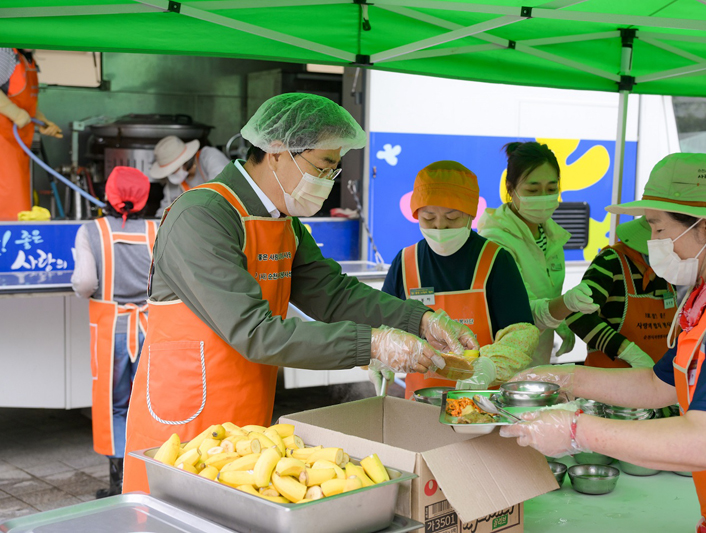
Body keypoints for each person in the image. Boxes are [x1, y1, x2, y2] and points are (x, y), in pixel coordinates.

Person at [122, 93, 477, 493]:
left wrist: (419, 320)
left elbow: (332, 293)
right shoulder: (201, 216)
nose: (329, 179)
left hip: (247, 421)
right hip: (184, 424)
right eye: (324, 165)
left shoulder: (283, 222)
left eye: (334, 168)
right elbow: (254, 332)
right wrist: (373, 344)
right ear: (277, 151)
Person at [501, 153, 706, 532]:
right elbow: (658, 385)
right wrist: (562, 378)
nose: (652, 240)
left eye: (658, 228)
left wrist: (575, 431)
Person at [382, 161, 537, 395]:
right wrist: (378, 356)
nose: (440, 226)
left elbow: (521, 333)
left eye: (452, 217)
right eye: (428, 217)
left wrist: (489, 367)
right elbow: (383, 322)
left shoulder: (495, 260)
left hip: (485, 400)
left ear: (470, 214)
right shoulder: (405, 262)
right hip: (422, 402)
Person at [71, 166, 158, 498]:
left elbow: (85, 283)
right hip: (150, 328)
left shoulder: (90, 231)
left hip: (111, 332)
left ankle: (119, 480)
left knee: (115, 404)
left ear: (108, 195)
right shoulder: (157, 230)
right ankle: (148, 476)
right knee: (148, 403)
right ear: (145, 197)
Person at [478, 142, 599, 366]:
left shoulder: (551, 235)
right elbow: (518, 311)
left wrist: (558, 320)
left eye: (551, 189)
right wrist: (565, 305)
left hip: (537, 360)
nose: (543, 197)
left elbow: (544, 296)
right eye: (532, 190)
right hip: (502, 363)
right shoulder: (496, 241)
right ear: (511, 189)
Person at [566, 217, 676, 369]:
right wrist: (630, 353)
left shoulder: (668, 268)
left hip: (658, 379)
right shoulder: (610, 262)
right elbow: (577, 315)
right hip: (609, 381)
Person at [0, 48, 62, 220]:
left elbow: (26, 101)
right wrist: (15, 113)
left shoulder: (27, 58)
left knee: (19, 204)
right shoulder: (5, 53)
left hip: (18, 145)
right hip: (3, 143)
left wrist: (42, 121)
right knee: (8, 203)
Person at [148, 135, 230, 216]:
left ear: (184, 162)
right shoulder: (175, 182)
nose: (171, 174)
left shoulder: (209, 157)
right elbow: (165, 210)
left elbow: (221, 190)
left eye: (173, 170)